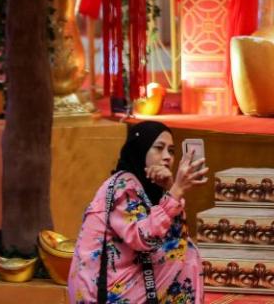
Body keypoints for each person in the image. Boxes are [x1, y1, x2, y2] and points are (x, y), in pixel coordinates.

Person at [68, 121, 208, 304]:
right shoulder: (123, 185)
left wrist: (168, 190)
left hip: (128, 278)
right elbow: (144, 238)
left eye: (171, 151)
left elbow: (177, 235)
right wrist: (176, 191)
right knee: (184, 255)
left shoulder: (144, 186)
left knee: (185, 251)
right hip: (103, 292)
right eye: (159, 148)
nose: (167, 157)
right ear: (140, 150)